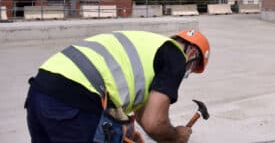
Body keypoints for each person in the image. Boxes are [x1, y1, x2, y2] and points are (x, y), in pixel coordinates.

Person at [24, 29, 211, 143]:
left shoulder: (150, 47)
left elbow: (145, 119)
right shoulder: (177, 57)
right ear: (192, 52)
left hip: (40, 88)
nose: (188, 72)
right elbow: (156, 123)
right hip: (74, 100)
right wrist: (176, 136)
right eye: (193, 67)